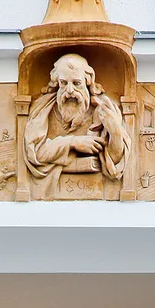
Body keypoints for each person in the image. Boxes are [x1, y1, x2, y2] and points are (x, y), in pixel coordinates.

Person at [23, 53, 131, 199]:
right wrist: (73, 142)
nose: (69, 90)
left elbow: (114, 162)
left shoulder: (104, 110)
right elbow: (35, 152)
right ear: (57, 83)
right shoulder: (42, 110)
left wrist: (115, 131)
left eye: (76, 83)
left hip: (94, 192)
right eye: (63, 83)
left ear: (87, 82)